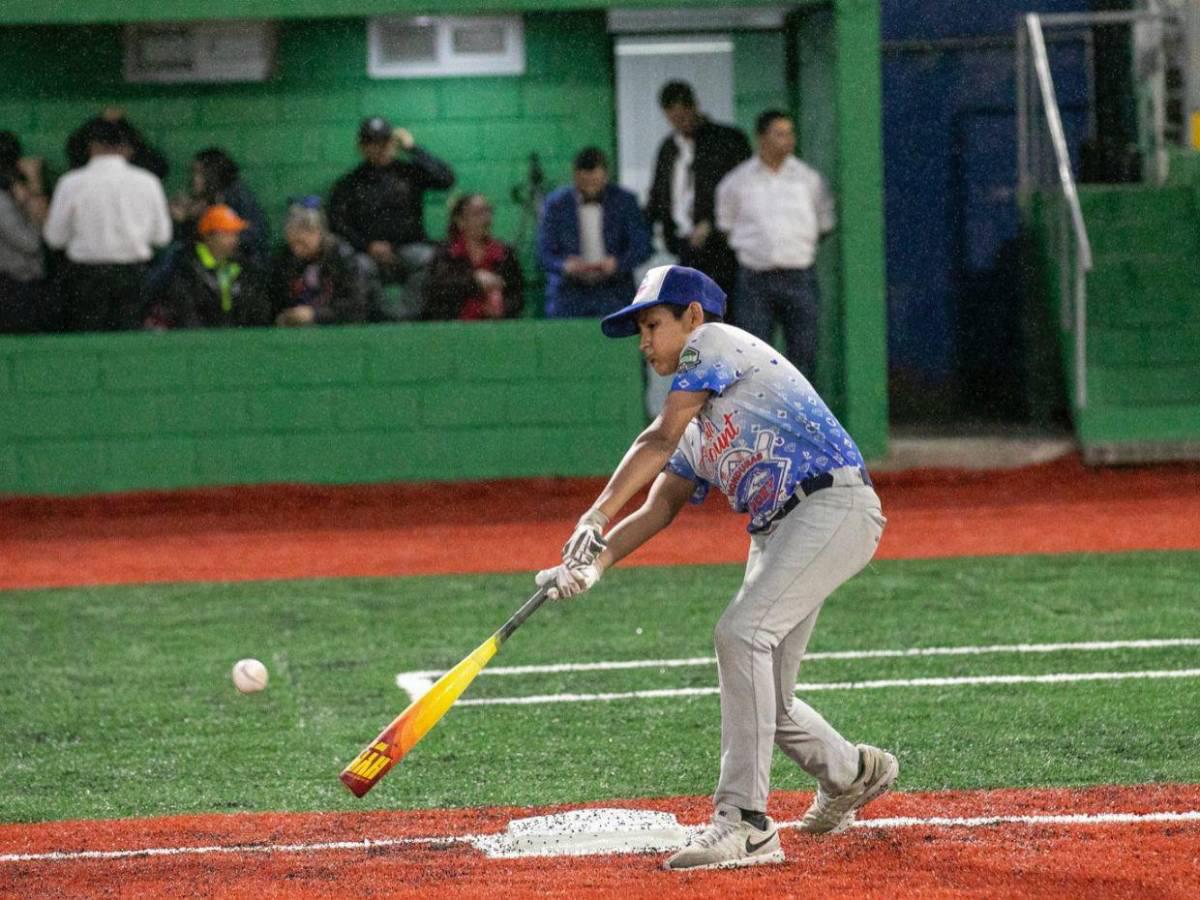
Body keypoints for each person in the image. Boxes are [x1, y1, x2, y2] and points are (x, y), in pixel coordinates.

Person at [535, 264, 896, 872]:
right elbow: (662, 504)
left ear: (693, 317)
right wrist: (593, 566)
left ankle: (746, 823)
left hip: (831, 505)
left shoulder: (715, 344)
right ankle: (854, 771)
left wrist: (593, 514)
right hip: (782, 530)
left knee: (739, 634)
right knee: (768, 700)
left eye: (652, 325)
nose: (645, 342)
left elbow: (655, 440)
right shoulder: (701, 424)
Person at [716, 110, 836, 375]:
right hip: (755, 280)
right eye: (779, 134)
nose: (788, 140)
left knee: (803, 354)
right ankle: (759, 416)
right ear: (760, 138)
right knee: (754, 357)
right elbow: (726, 227)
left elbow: (824, 224)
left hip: (799, 277)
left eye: (790, 134)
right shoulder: (736, 182)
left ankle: (800, 416)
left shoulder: (809, 180)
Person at [42, 118, 172, 331]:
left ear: (91, 146)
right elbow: (162, 237)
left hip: (85, 277)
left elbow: (55, 239)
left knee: (87, 343)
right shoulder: (148, 182)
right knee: (127, 343)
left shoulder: (71, 183)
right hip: (132, 275)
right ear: (128, 148)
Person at [329, 116, 455, 311]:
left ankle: (409, 318)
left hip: (409, 247)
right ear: (362, 147)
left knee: (430, 258)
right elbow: (338, 223)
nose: (379, 148)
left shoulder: (410, 173)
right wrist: (368, 246)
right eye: (372, 143)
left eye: (384, 141)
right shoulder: (349, 183)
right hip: (368, 254)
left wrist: (413, 149)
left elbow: (446, 179)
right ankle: (380, 317)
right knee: (356, 265)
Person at [646, 81, 750, 304]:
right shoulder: (668, 147)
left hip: (723, 248)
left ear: (694, 107)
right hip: (683, 246)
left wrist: (711, 223)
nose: (680, 124)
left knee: (724, 312)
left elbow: (743, 192)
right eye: (673, 120)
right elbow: (659, 194)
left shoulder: (728, 141)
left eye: (684, 117)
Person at [537, 147, 651, 319]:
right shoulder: (556, 205)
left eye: (595, 182)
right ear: (575, 177)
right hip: (570, 293)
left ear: (606, 176)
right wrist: (565, 266)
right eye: (584, 183)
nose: (590, 188)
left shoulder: (625, 202)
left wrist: (617, 263)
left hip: (614, 291)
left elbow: (642, 246)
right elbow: (543, 253)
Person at [147, 205, 270, 330]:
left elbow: (256, 309)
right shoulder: (186, 267)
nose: (234, 239)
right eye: (227, 233)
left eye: (235, 233)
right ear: (209, 237)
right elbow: (185, 312)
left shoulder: (244, 266)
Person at [270, 199, 375, 327]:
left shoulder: (341, 257)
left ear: (317, 232)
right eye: (293, 244)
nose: (296, 250)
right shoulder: (287, 257)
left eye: (302, 243)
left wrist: (315, 314)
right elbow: (278, 296)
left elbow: (355, 306)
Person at [422, 194, 523, 321]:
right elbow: (436, 291)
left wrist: (502, 308)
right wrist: (474, 281)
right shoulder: (446, 254)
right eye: (477, 213)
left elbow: (517, 297)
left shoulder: (505, 254)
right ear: (461, 221)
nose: (486, 219)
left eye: (488, 212)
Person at [170, 148, 270, 268]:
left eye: (199, 173)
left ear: (212, 174)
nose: (194, 179)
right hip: (216, 260)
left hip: (241, 262)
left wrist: (191, 219)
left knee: (176, 254)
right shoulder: (208, 198)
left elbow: (255, 235)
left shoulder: (234, 195)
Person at [0, 132, 49, 333]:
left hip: (23, 283)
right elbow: (31, 243)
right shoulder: (2, 201)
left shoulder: (12, 194)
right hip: (13, 285)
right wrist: (34, 187)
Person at [66, 108, 169, 180]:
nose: (110, 153)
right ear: (94, 148)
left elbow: (158, 166)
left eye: (114, 146)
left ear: (127, 150)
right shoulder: (145, 182)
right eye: (105, 147)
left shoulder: (74, 182)